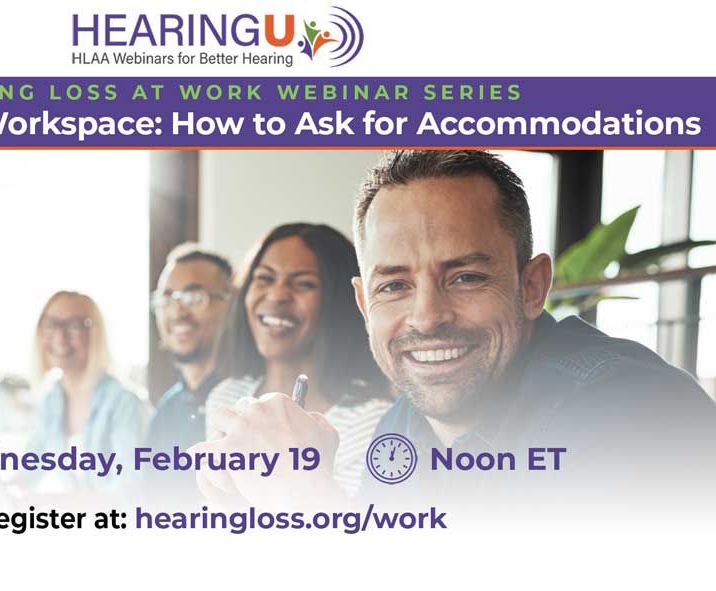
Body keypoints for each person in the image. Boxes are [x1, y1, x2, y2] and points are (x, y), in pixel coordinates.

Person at [192, 151, 716, 513]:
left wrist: (307, 501)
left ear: (532, 287)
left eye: (465, 277)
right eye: (394, 285)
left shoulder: (635, 412)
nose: (426, 316)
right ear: (362, 303)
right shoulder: (402, 430)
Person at [205, 223, 392, 496]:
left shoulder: (373, 421)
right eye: (265, 279)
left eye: (304, 283)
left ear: (338, 300)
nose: (277, 295)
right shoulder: (225, 395)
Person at [24, 290, 146, 495]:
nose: (59, 338)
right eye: (50, 325)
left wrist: (54, 505)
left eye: (73, 326)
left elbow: (129, 490)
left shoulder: (124, 403)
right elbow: (29, 470)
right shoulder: (51, 401)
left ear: (95, 334)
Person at [144, 243, 233, 500]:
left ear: (232, 305)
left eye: (194, 298)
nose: (177, 312)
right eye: (167, 299)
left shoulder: (250, 399)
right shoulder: (166, 411)